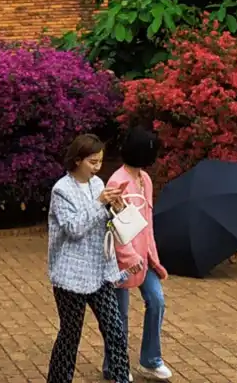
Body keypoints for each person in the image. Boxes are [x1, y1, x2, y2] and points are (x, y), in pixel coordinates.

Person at [47, 133, 138, 383]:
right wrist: (100, 205)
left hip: (100, 272)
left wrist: (116, 209)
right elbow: (74, 229)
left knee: (115, 331)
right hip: (70, 276)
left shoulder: (98, 184)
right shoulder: (61, 190)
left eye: (99, 162)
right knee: (70, 336)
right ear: (77, 160)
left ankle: (121, 377)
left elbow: (105, 223)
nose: (97, 167)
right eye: (92, 162)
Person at [102, 128, 171, 381]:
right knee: (118, 315)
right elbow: (116, 226)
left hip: (145, 258)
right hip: (123, 261)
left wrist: (152, 257)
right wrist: (130, 258)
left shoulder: (146, 179)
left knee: (157, 301)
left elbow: (147, 222)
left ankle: (150, 360)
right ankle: (114, 366)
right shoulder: (116, 182)